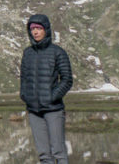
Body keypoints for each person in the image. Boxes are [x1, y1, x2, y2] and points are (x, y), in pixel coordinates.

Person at [19, 13, 73, 164]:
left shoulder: (58, 52)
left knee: (59, 152)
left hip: (53, 110)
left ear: (46, 30)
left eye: (38, 28)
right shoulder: (27, 53)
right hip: (34, 111)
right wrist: (25, 96)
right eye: (32, 29)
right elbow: (24, 78)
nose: (35, 32)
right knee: (44, 155)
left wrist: (51, 97)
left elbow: (67, 79)